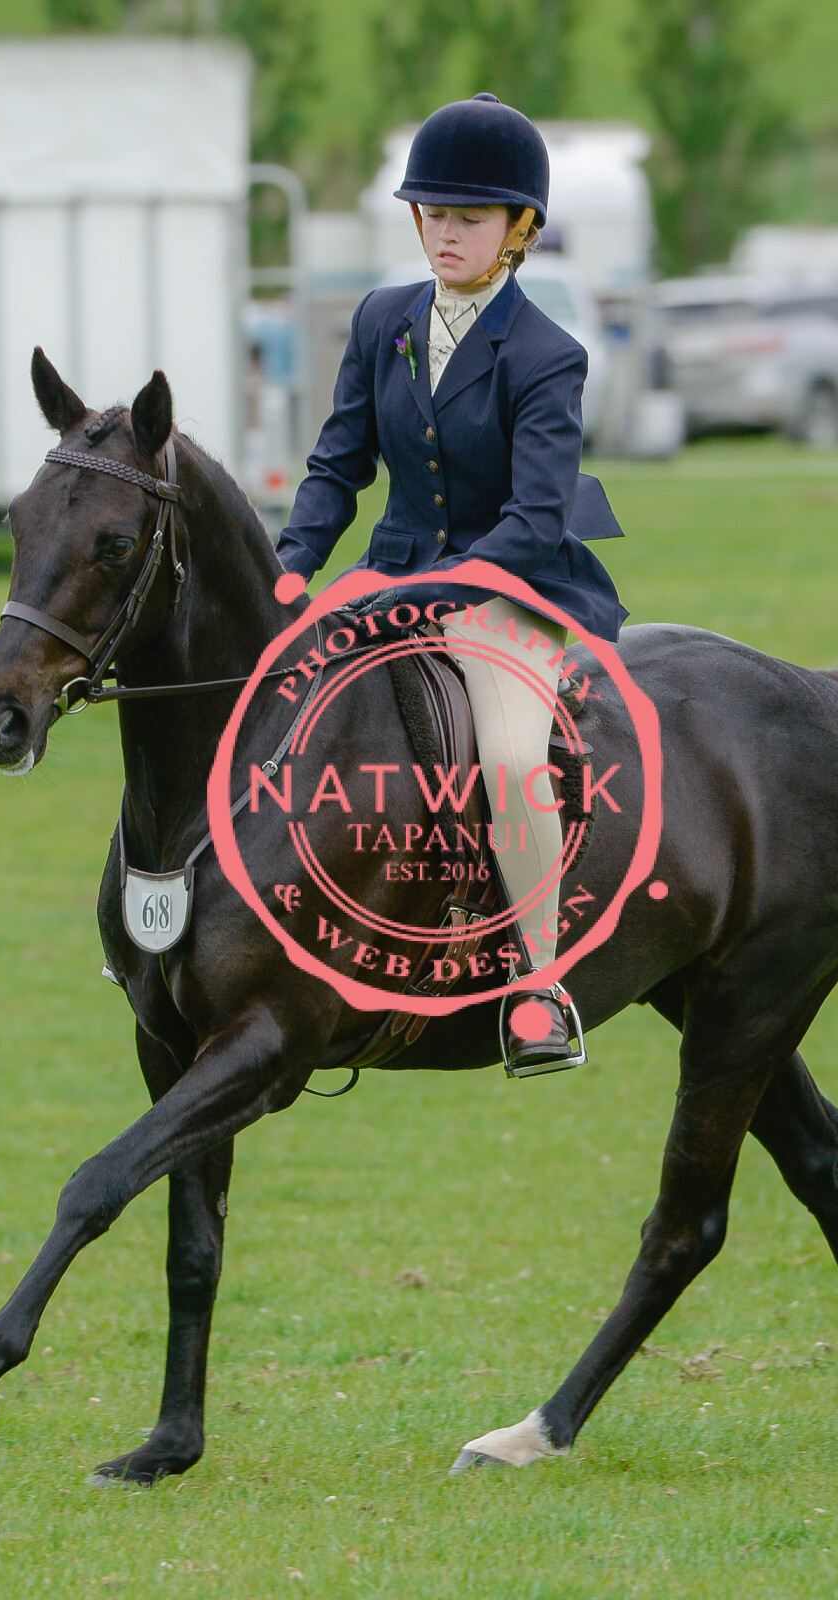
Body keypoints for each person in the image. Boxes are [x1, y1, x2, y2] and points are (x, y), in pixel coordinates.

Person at [275, 92, 628, 1077]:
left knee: (510, 760)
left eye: (468, 218)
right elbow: (338, 464)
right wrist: (292, 566)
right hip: (388, 570)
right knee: (266, 693)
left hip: (509, 587)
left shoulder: (549, 356)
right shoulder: (381, 319)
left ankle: (540, 986)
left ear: (519, 229)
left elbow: (535, 517)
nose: (444, 234)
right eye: (431, 214)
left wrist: (431, 595)